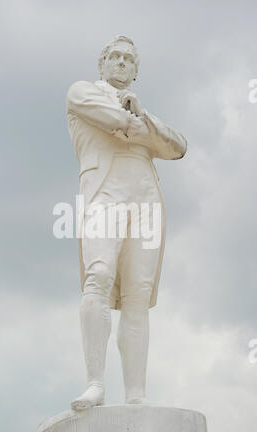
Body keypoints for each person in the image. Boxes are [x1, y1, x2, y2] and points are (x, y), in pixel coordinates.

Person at [66, 35, 187, 410]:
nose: (121, 63)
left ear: (136, 70)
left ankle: (136, 395)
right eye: (114, 57)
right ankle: (95, 384)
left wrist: (144, 117)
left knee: (139, 290)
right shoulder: (83, 91)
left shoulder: (140, 108)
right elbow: (111, 119)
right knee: (98, 275)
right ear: (102, 64)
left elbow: (178, 146)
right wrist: (138, 126)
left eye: (128, 59)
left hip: (146, 197)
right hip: (104, 189)